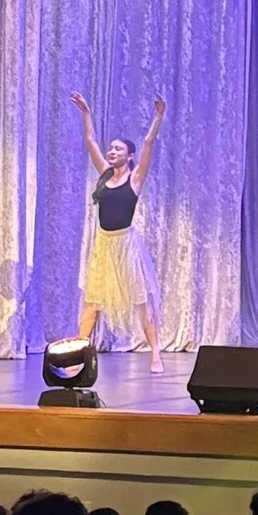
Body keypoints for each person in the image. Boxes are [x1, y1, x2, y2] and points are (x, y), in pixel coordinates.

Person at [70, 91, 170, 372]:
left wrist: (158, 116)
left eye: (118, 149)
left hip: (126, 246)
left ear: (129, 156)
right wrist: (86, 113)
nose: (112, 152)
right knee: (92, 303)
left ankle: (156, 353)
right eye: (111, 149)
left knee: (141, 302)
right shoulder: (104, 173)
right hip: (104, 246)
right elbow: (90, 141)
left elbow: (148, 143)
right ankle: (76, 357)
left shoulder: (135, 179)